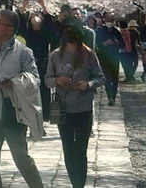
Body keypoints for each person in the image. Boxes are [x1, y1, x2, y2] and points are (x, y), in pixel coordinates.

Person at [0, 10, 45, 188]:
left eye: (0, 23)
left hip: (13, 113)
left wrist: (13, 83)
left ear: (10, 30)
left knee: (21, 158)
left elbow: (35, 79)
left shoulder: (23, 52)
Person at [44, 23, 105, 188]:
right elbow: (47, 80)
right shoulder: (55, 56)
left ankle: (80, 184)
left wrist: (88, 84)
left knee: (80, 149)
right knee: (68, 148)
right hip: (61, 106)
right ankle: (75, 183)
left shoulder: (89, 55)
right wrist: (57, 80)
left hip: (83, 107)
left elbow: (100, 77)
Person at [18, 0, 59, 121]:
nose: (36, 18)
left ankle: (44, 117)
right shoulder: (28, 32)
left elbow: (52, 26)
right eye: (33, 16)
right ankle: (32, 118)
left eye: (38, 16)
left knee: (44, 91)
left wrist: (43, 6)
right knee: (30, 92)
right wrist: (23, 7)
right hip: (29, 64)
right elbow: (20, 25)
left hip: (43, 63)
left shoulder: (46, 33)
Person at [95, 12, 123, 105]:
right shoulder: (100, 31)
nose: (110, 22)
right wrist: (105, 43)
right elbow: (97, 44)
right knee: (106, 77)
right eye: (108, 20)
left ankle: (113, 97)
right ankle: (109, 96)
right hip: (104, 57)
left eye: (111, 20)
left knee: (115, 78)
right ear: (104, 20)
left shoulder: (116, 31)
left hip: (115, 57)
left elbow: (122, 44)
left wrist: (116, 42)